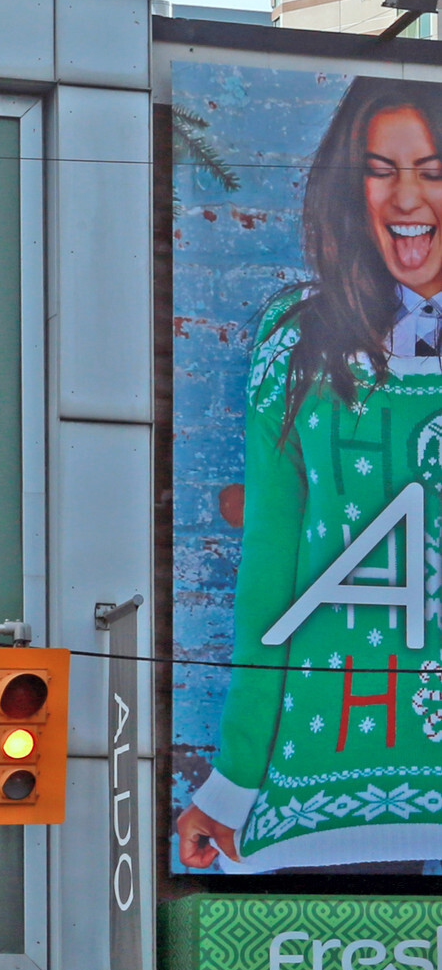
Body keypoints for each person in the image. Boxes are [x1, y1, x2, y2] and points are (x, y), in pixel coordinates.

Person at [178, 76, 442, 874]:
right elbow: (271, 578)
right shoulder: (300, 339)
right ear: (346, 187)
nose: (407, 197)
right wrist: (232, 785)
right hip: (333, 768)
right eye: (380, 169)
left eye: (434, 171)